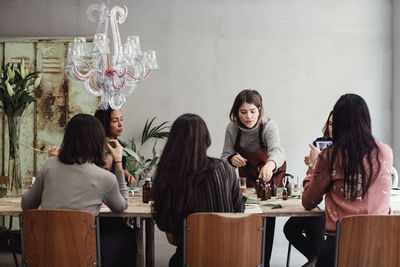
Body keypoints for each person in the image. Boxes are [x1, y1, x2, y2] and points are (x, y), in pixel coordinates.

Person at [22, 114, 136, 267]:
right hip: (84, 255)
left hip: (44, 252)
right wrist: (118, 162)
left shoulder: (49, 165)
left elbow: (27, 205)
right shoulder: (103, 177)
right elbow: (121, 206)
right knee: (127, 235)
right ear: (98, 141)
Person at [302, 94, 393, 267]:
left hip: (341, 245)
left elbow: (308, 201)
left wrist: (315, 165)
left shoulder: (330, 156)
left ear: (337, 124)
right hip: (382, 243)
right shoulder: (386, 152)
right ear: (366, 120)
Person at [153, 113, 245, 267]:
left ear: (173, 141)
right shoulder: (224, 169)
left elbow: (168, 232)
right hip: (229, 257)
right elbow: (238, 212)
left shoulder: (167, 174)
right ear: (206, 138)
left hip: (188, 258)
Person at [221, 89, 286, 267]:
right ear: (236, 113)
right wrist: (230, 159)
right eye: (243, 112)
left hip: (270, 176)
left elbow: (278, 152)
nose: (248, 117)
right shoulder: (232, 128)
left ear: (260, 110)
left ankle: (264, 262)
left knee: (267, 218)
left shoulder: (268, 125)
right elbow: (224, 157)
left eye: (252, 111)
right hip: (247, 178)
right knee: (247, 221)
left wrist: (270, 164)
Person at [284, 111, 332, 267]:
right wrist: (312, 165)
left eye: (336, 123)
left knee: (316, 223)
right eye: (330, 124)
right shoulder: (320, 142)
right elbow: (313, 180)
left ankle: (318, 261)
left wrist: (318, 164)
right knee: (290, 228)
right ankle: (317, 259)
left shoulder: (346, 150)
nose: (332, 128)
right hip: (316, 200)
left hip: (333, 207)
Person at [94, 107, 135, 185]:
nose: (120, 124)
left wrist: (126, 174)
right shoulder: (93, 146)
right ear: (104, 123)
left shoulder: (120, 146)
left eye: (121, 120)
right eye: (115, 121)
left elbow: (119, 169)